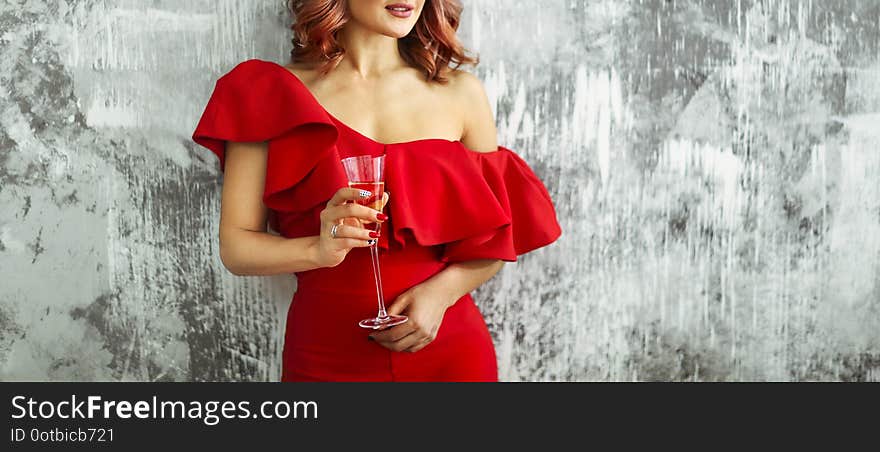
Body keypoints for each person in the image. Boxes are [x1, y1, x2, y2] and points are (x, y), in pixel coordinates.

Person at [192, 0, 562, 381]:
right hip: (325, 355)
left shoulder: (461, 93)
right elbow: (237, 248)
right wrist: (317, 249)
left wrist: (442, 294)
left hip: (449, 352)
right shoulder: (265, 92)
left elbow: (499, 237)